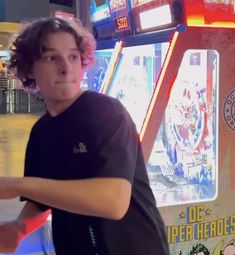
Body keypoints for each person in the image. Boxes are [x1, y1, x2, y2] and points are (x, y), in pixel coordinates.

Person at [0, 17, 170, 255]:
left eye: (72, 56)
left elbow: (114, 202)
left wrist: (18, 185)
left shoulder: (107, 113)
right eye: (51, 58)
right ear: (30, 69)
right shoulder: (41, 132)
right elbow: (40, 202)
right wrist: (19, 228)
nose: (65, 67)